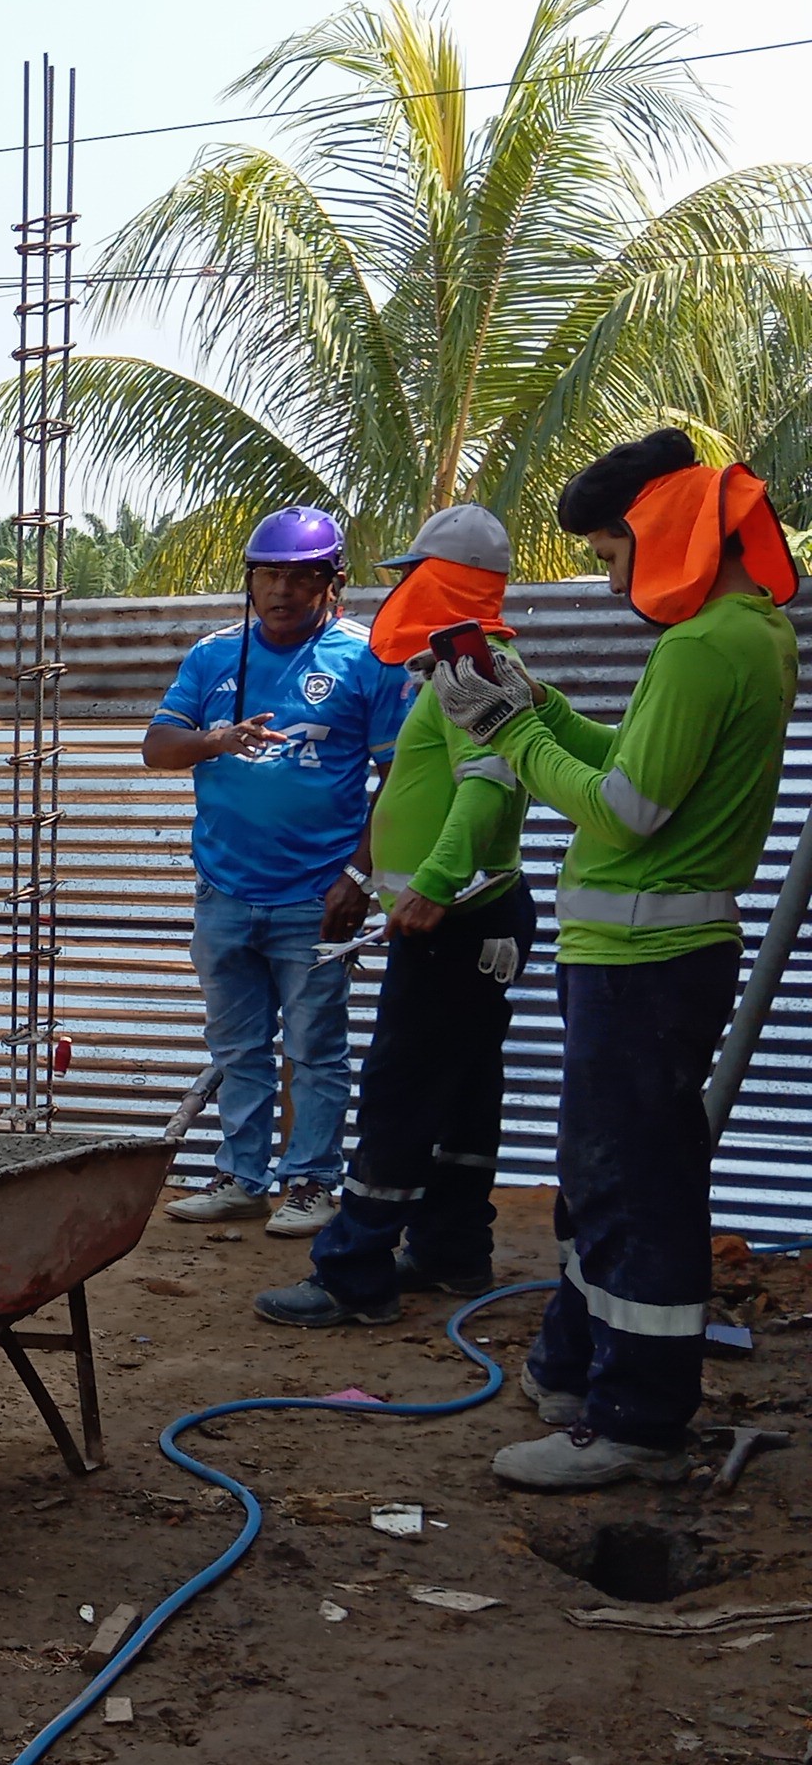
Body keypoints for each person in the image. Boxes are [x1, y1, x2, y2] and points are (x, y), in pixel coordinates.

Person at [434, 433, 803, 1490]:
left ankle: (637, 1418)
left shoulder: (702, 648)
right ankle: (579, 1368)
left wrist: (507, 732)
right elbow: (634, 765)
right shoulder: (745, 632)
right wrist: (538, 707)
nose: (609, 578)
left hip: (647, 960)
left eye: (608, 553)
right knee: (606, 1175)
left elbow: (626, 811)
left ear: (663, 532)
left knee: (634, 1185)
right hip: (645, 959)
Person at [257, 504, 537, 1328]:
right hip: (479, 914)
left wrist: (434, 883)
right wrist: (377, 872)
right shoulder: (470, 663)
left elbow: (491, 783)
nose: (403, 588)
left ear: (443, 579)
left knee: (400, 1091)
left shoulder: (473, 669)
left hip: (453, 919)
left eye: (413, 573)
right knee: (463, 1089)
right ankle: (453, 1249)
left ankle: (354, 1276)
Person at [144, 507, 411, 1236]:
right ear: (249, 582)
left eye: (302, 576)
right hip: (225, 890)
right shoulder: (213, 658)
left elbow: (398, 782)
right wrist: (218, 740)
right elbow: (157, 747)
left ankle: (313, 1182)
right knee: (237, 1046)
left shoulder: (367, 660)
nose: (283, 590)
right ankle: (240, 1176)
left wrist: (358, 880)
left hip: (316, 897)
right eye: (269, 575)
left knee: (315, 1047)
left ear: (334, 582)